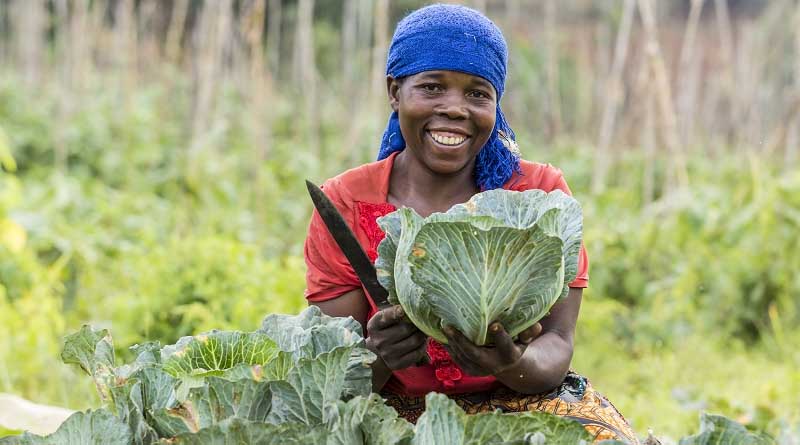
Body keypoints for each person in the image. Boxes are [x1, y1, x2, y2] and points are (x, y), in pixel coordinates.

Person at [304, 4, 638, 444]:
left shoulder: (539, 196)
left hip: (518, 401)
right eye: (432, 87)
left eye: (477, 93)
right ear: (394, 91)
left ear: (496, 104)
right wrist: (378, 357)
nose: (455, 109)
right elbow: (333, 378)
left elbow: (557, 342)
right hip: (392, 408)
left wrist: (510, 363)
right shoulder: (346, 201)